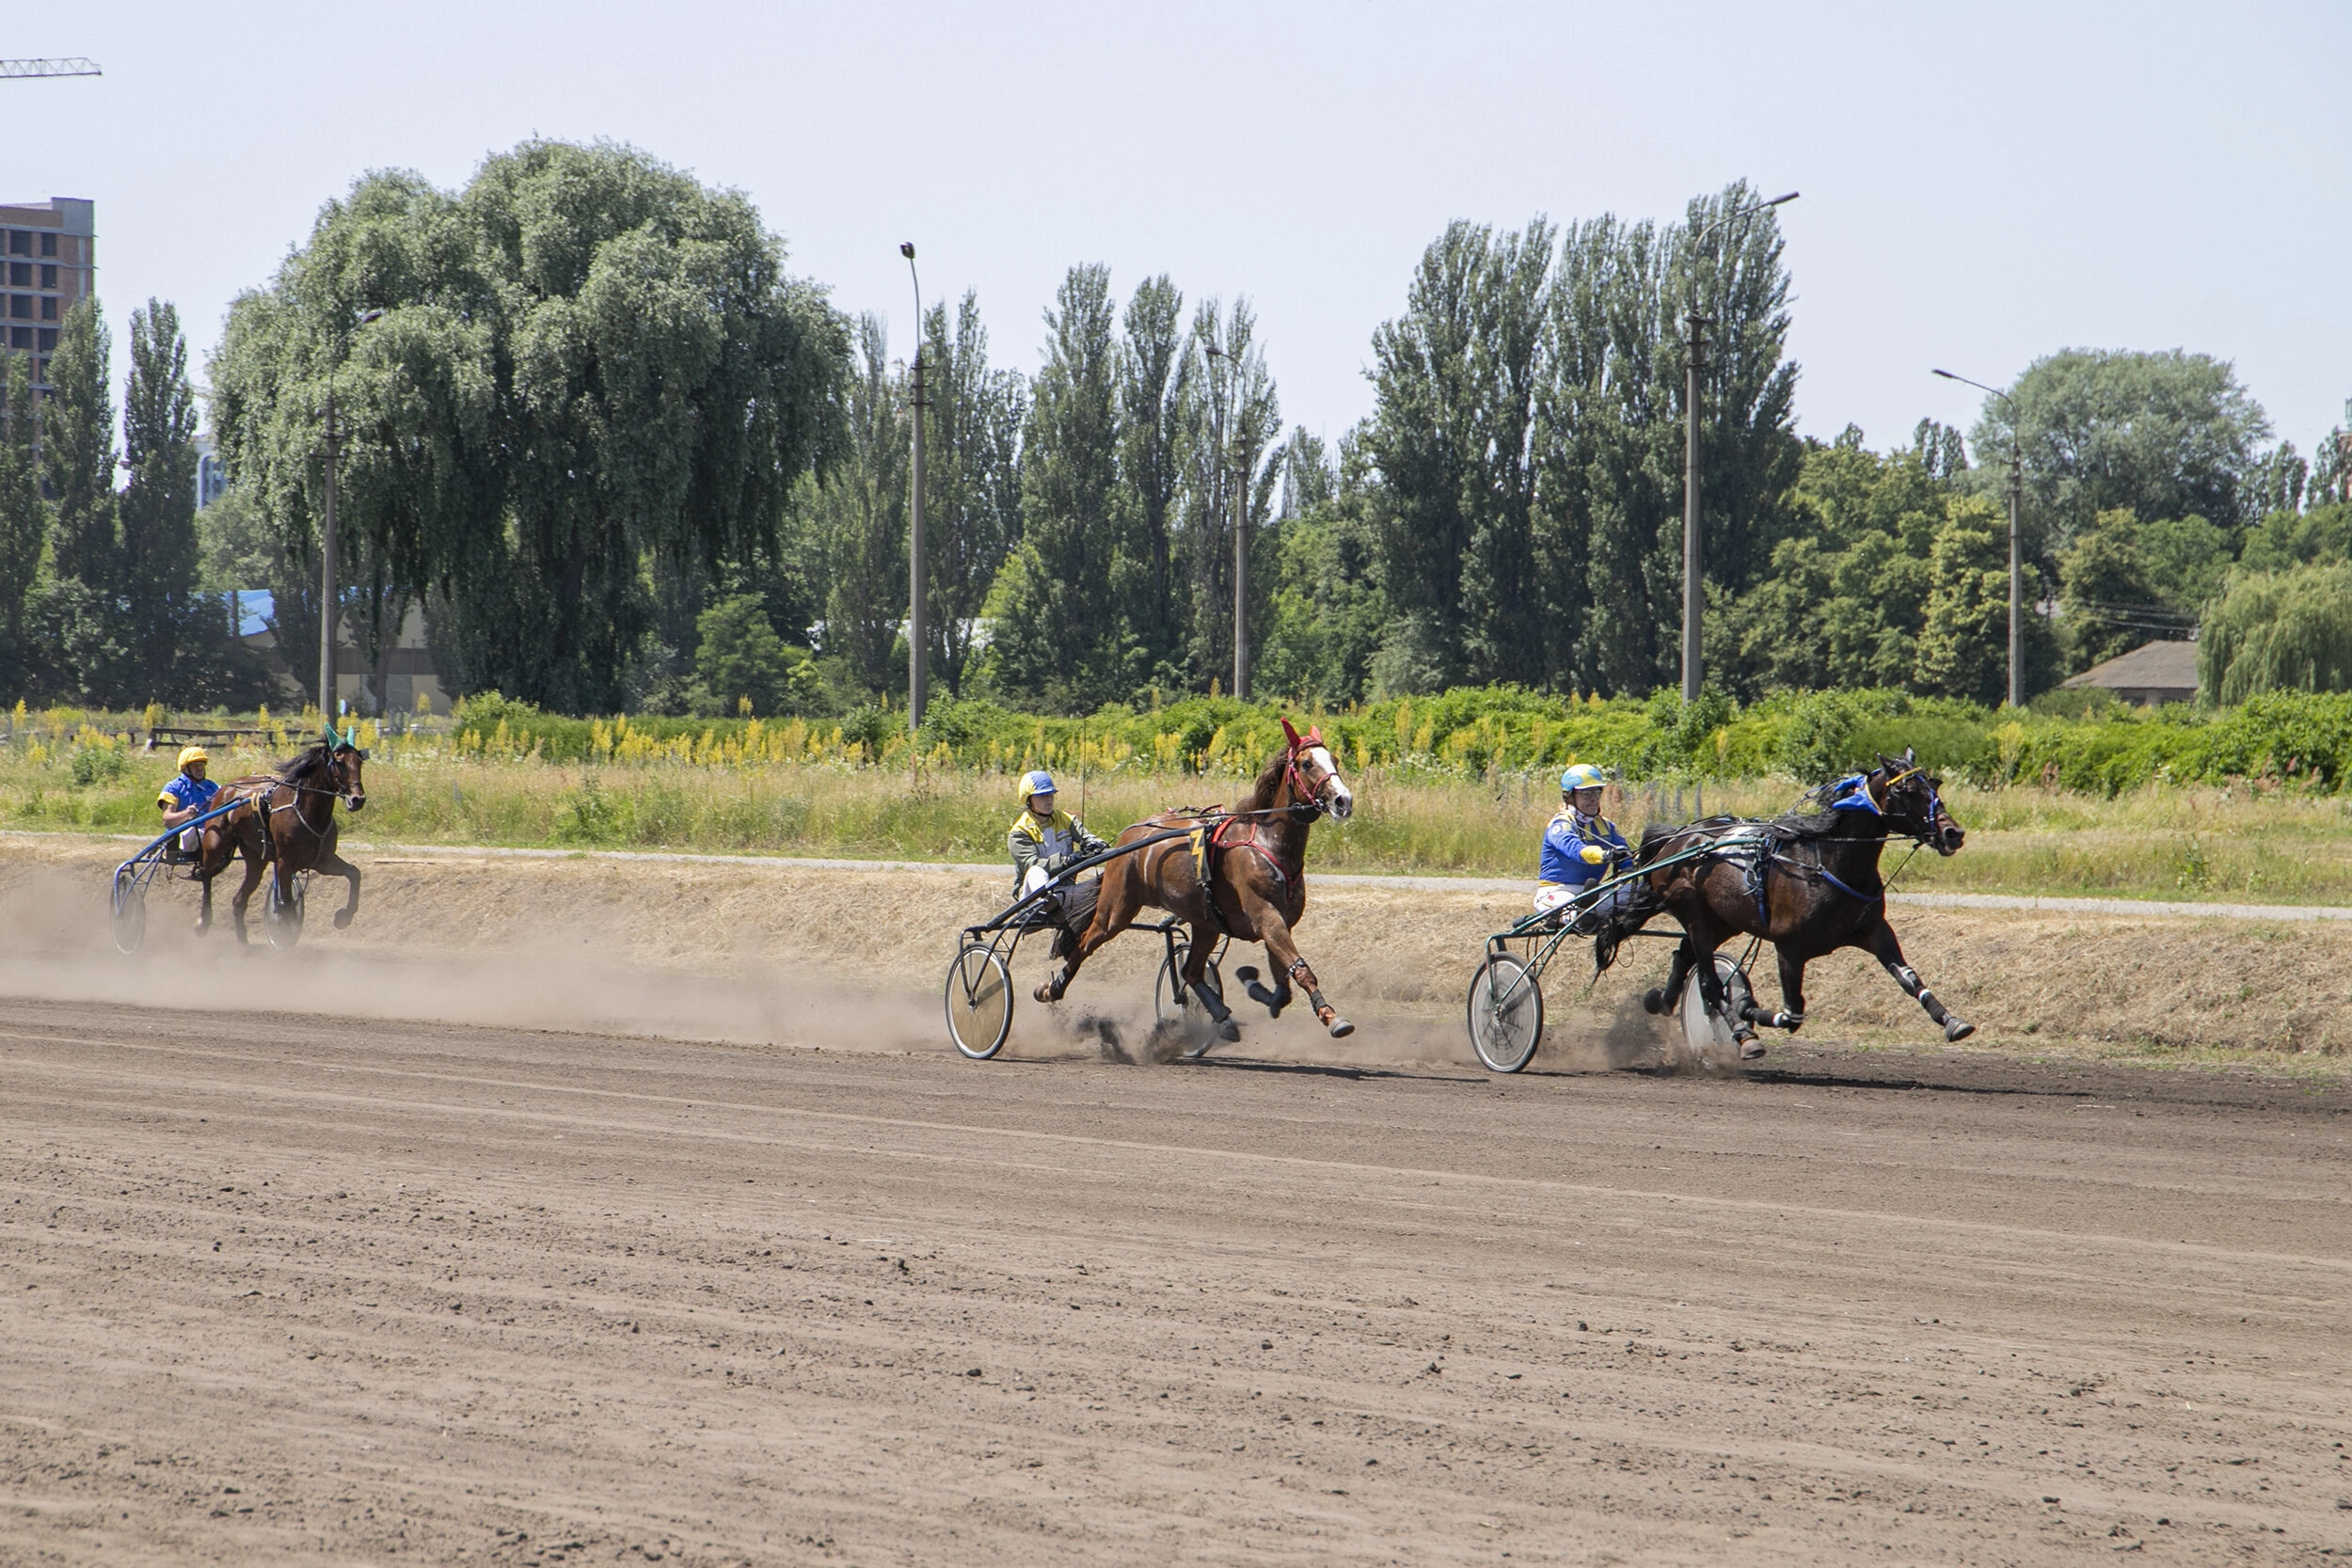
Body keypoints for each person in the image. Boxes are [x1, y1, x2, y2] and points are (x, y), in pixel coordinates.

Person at [1535, 763, 1649, 966]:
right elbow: (1575, 850)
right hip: (1557, 892)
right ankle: (1580, 915)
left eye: (1597, 792)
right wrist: (1605, 855)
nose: (1593, 798)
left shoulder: (1605, 826)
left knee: (1646, 892)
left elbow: (1624, 855)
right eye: (1586, 794)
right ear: (1570, 796)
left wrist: (1630, 867)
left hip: (1594, 894)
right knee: (1580, 914)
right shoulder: (1560, 824)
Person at [1008, 769, 1106, 897]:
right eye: (1042, 796)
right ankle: (1049, 903)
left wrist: (1096, 844)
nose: (1048, 799)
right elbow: (1032, 863)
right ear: (1029, 800)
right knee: (1036, 872)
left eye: (1051, 795)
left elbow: (1087, 837)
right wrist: (1067, 861)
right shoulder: (1019, 832)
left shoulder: (1065, 819)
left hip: (1066, 888)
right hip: (1030, 897)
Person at [157, 746, 221, 866]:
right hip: (184, 837)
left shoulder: (214, 788)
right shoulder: (173, 788)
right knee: (193, 831)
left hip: (209, 835)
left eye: (202, 765)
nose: (200, 769)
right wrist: (186, 814)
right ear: (185, 768)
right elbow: (167, 820)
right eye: (195, 765)